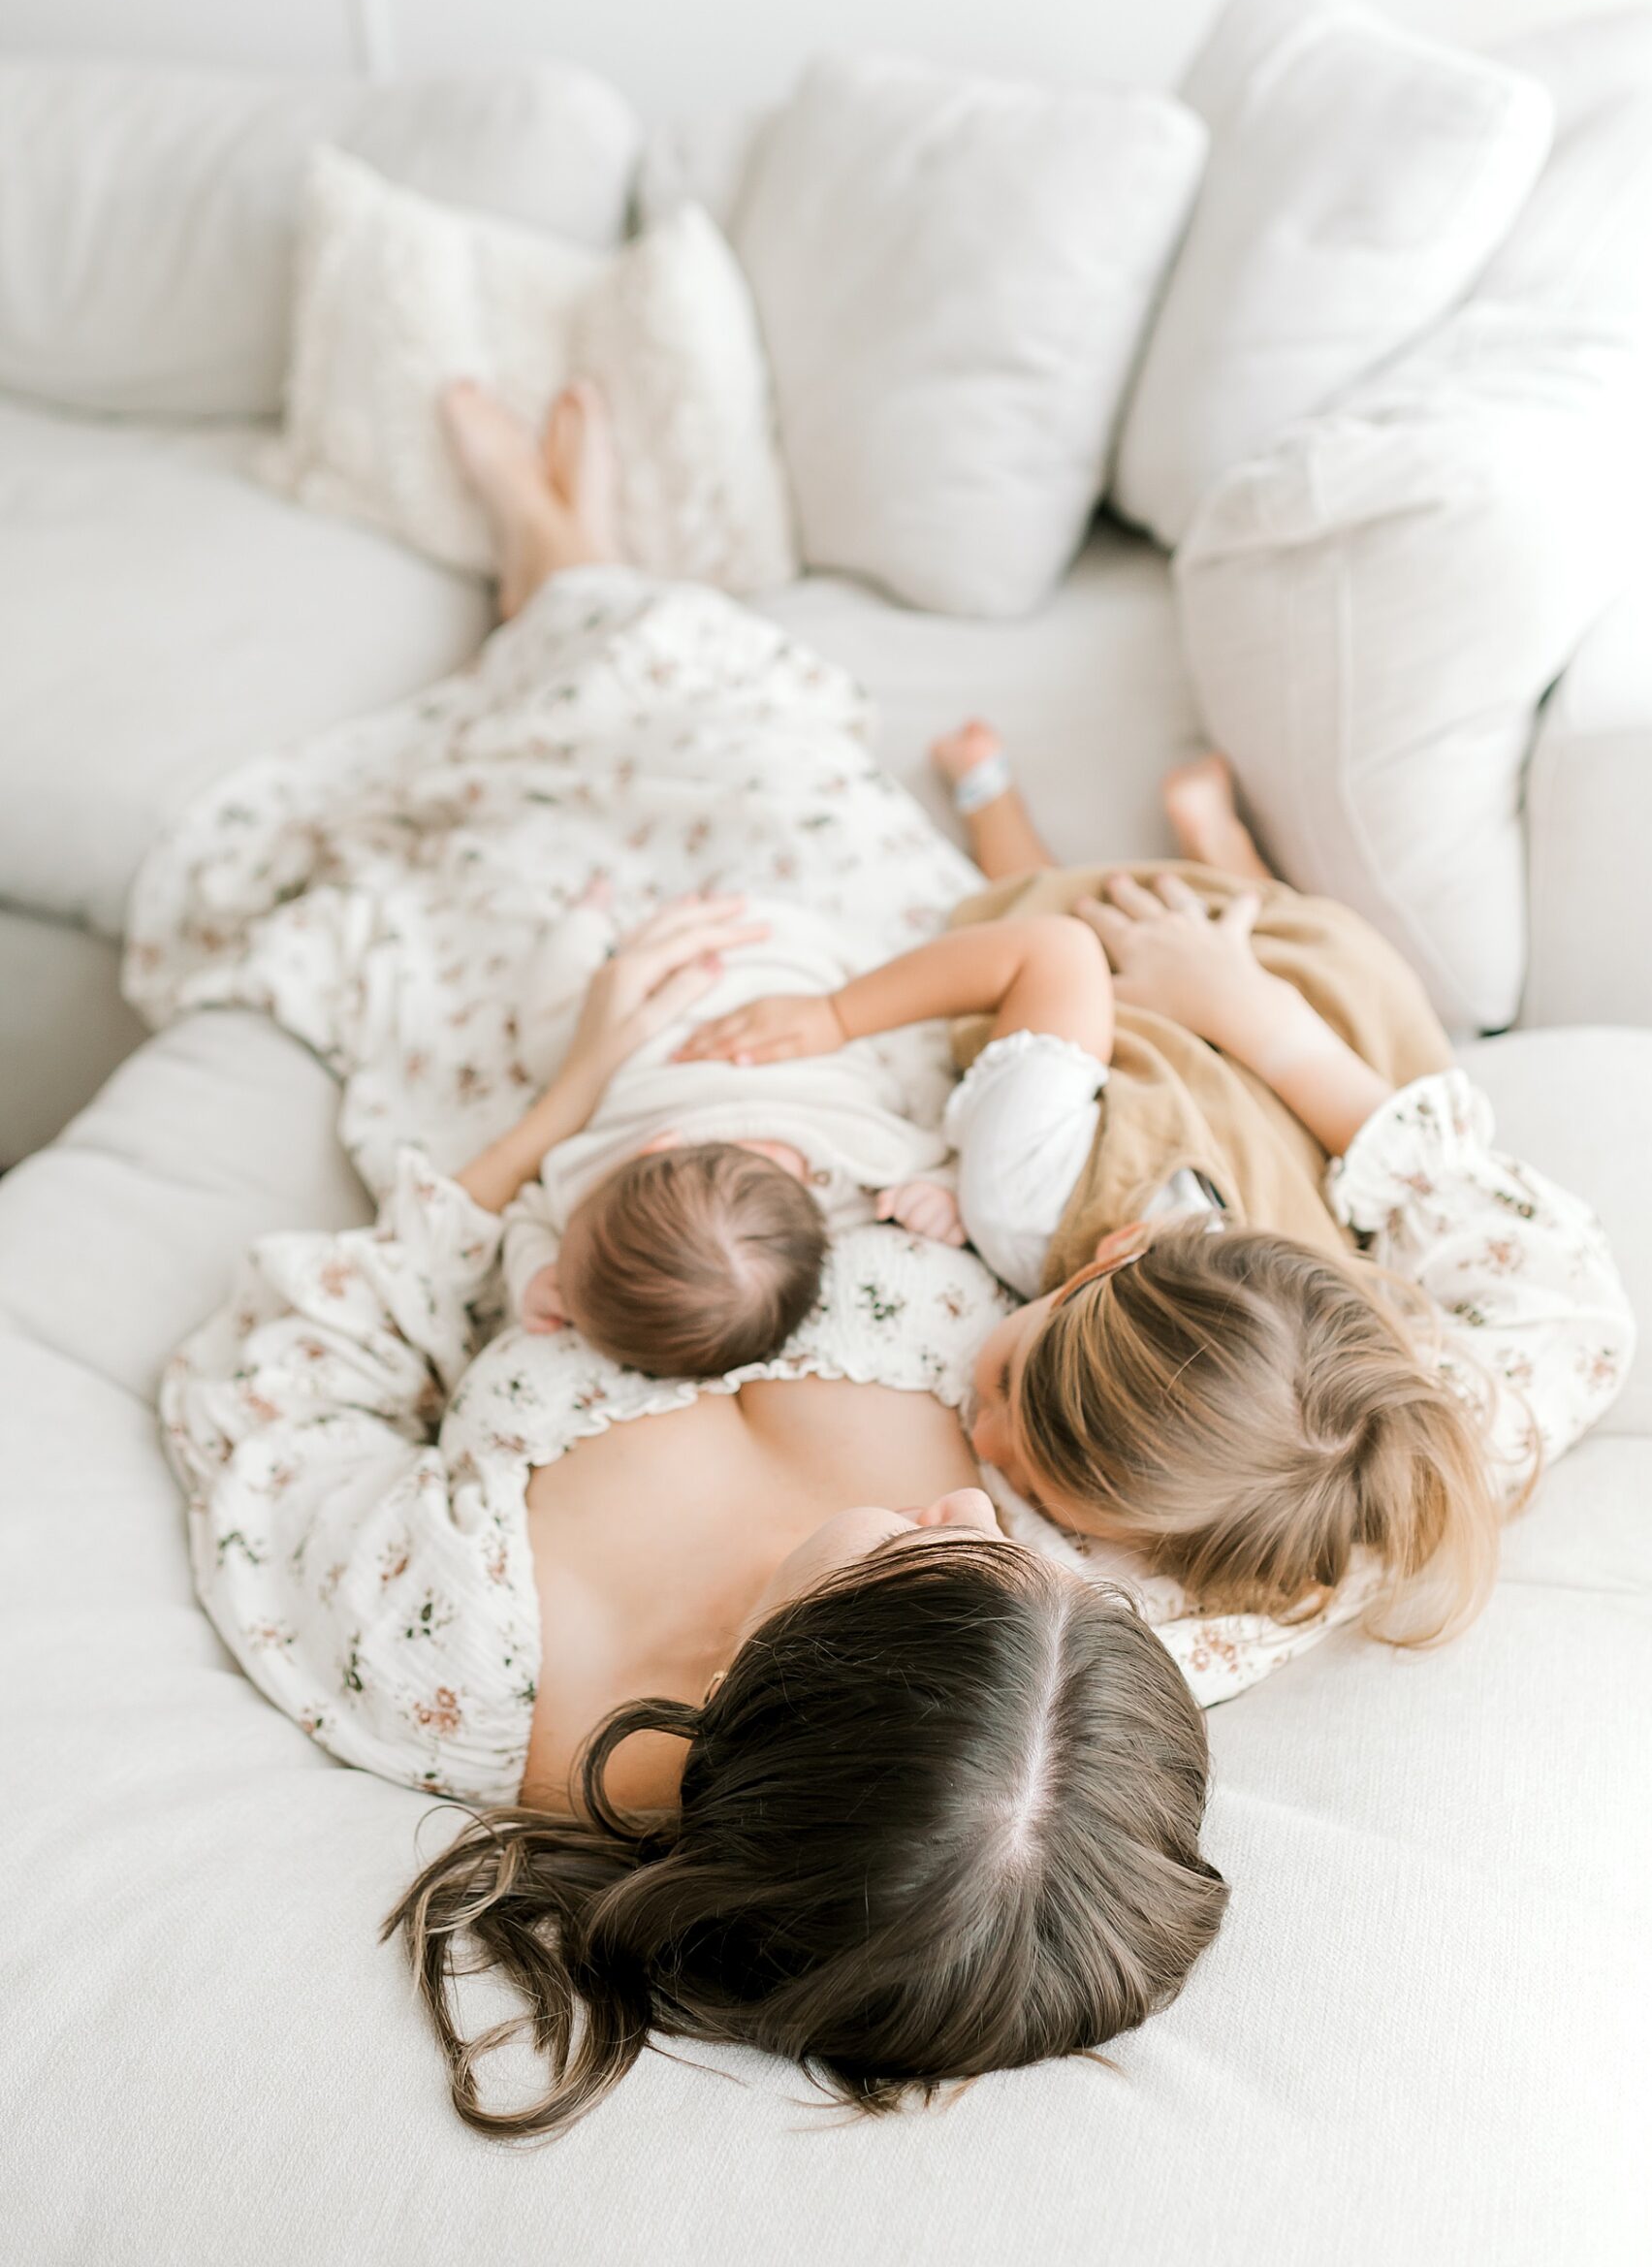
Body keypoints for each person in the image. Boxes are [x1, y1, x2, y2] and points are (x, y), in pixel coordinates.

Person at [161, 383, 1229, 2140]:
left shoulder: (456, 1658)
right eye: (1040, 1569)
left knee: (507, 850)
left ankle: (545, 556)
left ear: (783, 1698)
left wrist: (568, 1092)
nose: (988, 1520)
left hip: (540, 1080)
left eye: (928, 1560)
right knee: (741, 736)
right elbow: (1431, 1389)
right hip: (854, 1006)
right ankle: (565, 556)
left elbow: (286, 1366)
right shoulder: (1066, 1681)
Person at [676, 726, 1635, 1650]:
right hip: (1173, 991)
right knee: (1025, 898)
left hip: (1245, 1099)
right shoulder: (1025, 1195)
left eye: (1050, 1500)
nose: (990, 1447)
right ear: (1111, 1250)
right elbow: (1051, 951)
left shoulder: (1314, 1468)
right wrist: (832, 1014)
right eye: (1007, 1381)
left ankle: (1230, 865)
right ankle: (1013, 806)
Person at [497, 885, 966, 1381]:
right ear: (656, 1147)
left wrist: (934, 1190)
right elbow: (530, 1211)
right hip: (761, 958)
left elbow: (527, 1211)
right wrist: (944, 1188)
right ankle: (584, 923)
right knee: (550, 1049)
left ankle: (584, 920)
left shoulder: (867, 1166)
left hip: (798, 957)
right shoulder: (861, 1152)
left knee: (912, 1058)